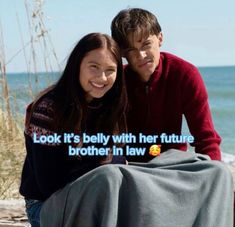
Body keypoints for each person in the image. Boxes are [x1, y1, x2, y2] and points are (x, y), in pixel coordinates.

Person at [19, 32, 128, 227]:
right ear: (77, 65)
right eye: (93, 67)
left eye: (110, 70)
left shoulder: (110, 106)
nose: (102, 77)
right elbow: (49, 184)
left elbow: (118, 160)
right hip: (45, 205)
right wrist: (102, 169)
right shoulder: (49, 109)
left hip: (95, 198)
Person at [111, 8, 222, 162]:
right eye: (131, 50)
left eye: (146, 44)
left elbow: (206, 138)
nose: (141, 55)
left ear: (160, 38)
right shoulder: (116, 81)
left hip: (171, 163)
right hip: (130, 164)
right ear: (122, 53)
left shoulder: (185, 74)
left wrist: (214, 171)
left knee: (217, 172)